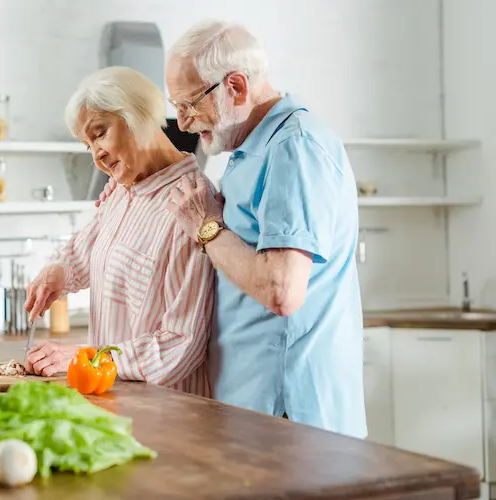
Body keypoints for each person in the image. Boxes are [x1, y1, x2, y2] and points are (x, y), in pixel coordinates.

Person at [97, 20, 366, 439]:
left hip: (288, 410)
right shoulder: (249, 150)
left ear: (236, 86)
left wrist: (204, 227)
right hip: (252, 406)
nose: (183, 124)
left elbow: (281, 289)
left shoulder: (293, 148)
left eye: (188, 105)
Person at [22, 66, 215, 397]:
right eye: (88, 145)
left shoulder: (191, 205)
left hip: (167, 413)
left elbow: (181, 345)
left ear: (138, 115)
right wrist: (58, 271)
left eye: (99, 133)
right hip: (112, 399)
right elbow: (84, 252)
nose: (96, 154)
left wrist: (90, 357)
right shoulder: (121, 192)